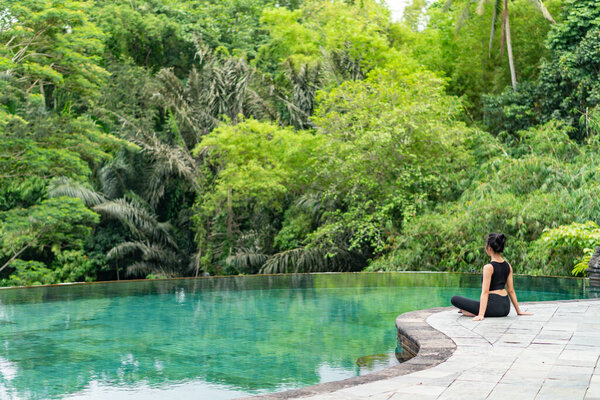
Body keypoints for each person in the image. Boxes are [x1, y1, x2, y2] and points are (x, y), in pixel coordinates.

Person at [451, 233, 532, 321]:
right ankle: (466, 311)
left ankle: (466, 311)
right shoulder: (508, 266)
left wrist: (481, 315)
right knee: (470, 307)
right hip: (506, 308)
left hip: (494, 308)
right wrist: (518, 311)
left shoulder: (488, 267)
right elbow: (511, 290)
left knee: (455, 299)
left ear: (489, 248)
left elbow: (485, 292)